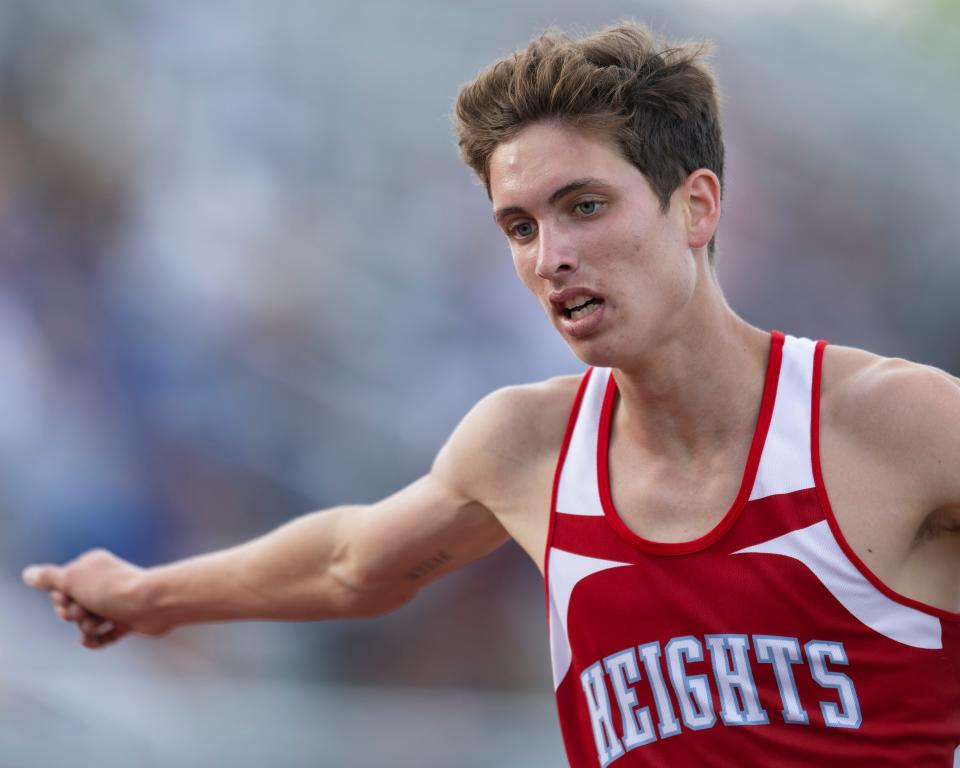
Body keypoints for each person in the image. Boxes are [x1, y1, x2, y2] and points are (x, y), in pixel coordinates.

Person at [22, 21, 960, 767]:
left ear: (697, 205)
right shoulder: (528, 446)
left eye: (585, 206)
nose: (551, 257)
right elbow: (354, 563)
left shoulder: (894, 424)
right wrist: (148, 594)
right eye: (520, 225)